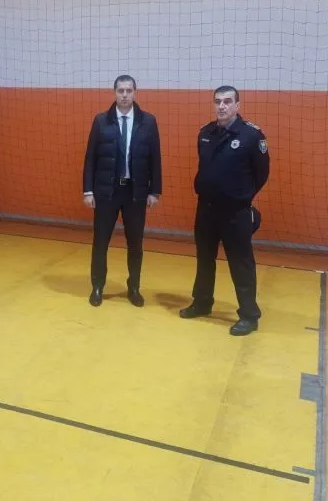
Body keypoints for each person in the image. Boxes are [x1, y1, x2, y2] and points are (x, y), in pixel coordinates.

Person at [180, 85, 269, 336]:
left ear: (237, 105)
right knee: (204, 259)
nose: (222, 106)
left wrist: (241, 196)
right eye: (218, 101)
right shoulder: (205, 133)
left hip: (235, 212)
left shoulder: (252, 135)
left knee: (241, 263)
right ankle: (202, 303)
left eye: (227, 101)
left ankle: (249, 316)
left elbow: (261, 173)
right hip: (206, 209)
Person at [82, 75, 162, 307]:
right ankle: (98, 286)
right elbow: (90, 158)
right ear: (114, 92)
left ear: (135, 92)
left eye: (129, 90)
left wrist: (155, 191)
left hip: (135, 193)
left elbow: (155, 158)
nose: (125, 95)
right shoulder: (101, 121)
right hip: (106, 192)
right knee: (100, 242)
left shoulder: (148, 121)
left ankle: (134, 287)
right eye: (120, 90)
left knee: (135, 243)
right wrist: (88, 191)